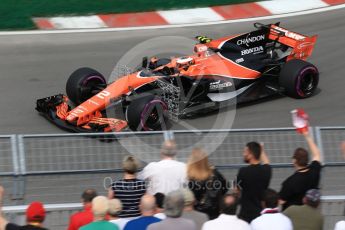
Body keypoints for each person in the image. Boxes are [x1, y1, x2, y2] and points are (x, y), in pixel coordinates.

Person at [279, 131, 322, 210]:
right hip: (311, 212)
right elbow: (317, 154)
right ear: (307, 159)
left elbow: (281, 201)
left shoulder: (290, 182)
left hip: (293, 217)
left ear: (294, 160)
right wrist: (307, 136)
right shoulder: (314, 171)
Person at [187, 147, 227, 219]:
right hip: (215, 211)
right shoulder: (215, 173)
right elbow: (225, 188)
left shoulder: (192, 179)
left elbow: (191, 198)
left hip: (198, 213)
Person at [236, 142, 271, 223]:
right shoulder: (267, 170)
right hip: (260, 213)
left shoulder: (243, 171)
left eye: (245, 152)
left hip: (245, 214)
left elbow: (237, 190)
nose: (243, 154)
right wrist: (261, 150)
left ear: (251, 154)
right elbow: (266, 162)